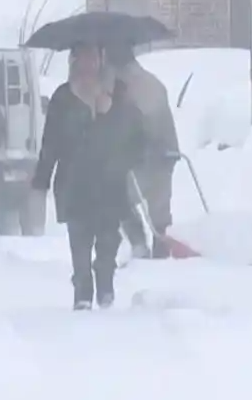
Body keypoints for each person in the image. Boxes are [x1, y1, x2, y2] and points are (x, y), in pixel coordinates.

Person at [31, 42, 146, 310]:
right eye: (80, 58)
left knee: (108, 240)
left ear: (101, 60)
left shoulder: (118, 92)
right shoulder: (63, 97)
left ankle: (105, 284)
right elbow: (51, 142)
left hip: (110, 181)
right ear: (72, 62)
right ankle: (82, 292)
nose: (86, 64)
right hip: (74, 182)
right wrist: (41, 178)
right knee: (80, 241)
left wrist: (109, 114)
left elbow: (135, 135)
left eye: (91, 57)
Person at [105, 45, 180, 259]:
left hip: (144, 157)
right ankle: (161, 250)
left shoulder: (126, 87)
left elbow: (133, 125)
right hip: (166, 154)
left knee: (119, 199)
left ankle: (139, 244)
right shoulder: (153, 82)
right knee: (160, 209)